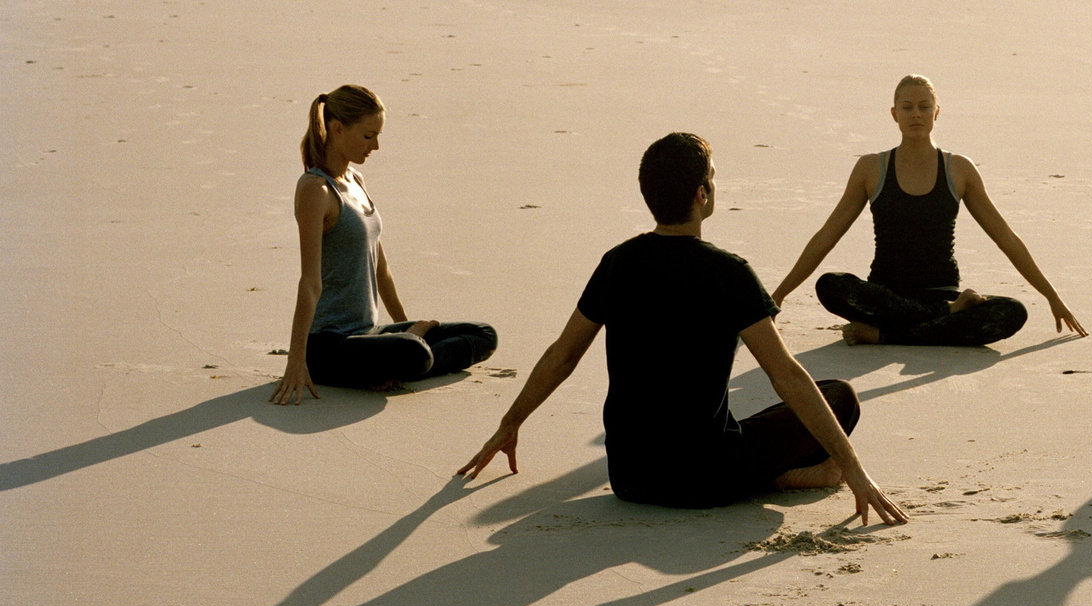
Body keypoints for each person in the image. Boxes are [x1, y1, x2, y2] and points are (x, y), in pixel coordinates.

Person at [457, 132, 908, 522]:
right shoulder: (729, 272)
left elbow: (562, 356)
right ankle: (797, 475)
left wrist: (509, 423)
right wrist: (853, 467)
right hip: (707, 478)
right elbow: (785, 374)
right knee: (840, 397)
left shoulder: (618, 264)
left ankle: (787, 473)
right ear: (701, 194)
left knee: (744, 429)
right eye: (711, 176)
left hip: (631, 477)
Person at [771, 73, 1086, 348]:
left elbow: (1006, 237)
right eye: (907, 107)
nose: (916, 114)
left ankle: (886, 336)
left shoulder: (958, 169)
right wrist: (779, 295)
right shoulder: (871, 168)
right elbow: (827, 235)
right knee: (830, 285)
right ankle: (941, 321)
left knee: (1013, 311)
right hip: (885, 296)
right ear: (894, 114)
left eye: (924, 107)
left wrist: (1051, 295)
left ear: (937, 112)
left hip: (940, 293)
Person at [270, 86, 497, 404]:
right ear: (338, 129)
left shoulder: (356, 180)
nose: (376, 145)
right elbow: (309, 282)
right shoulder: (315, 191)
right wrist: (296, 361)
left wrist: (405, 326)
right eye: (368, 135)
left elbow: (381, 268)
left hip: (369, 335)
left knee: (483, 334)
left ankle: (398, 361)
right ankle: (405, 358)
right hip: (327, 346)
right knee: (412, 352)